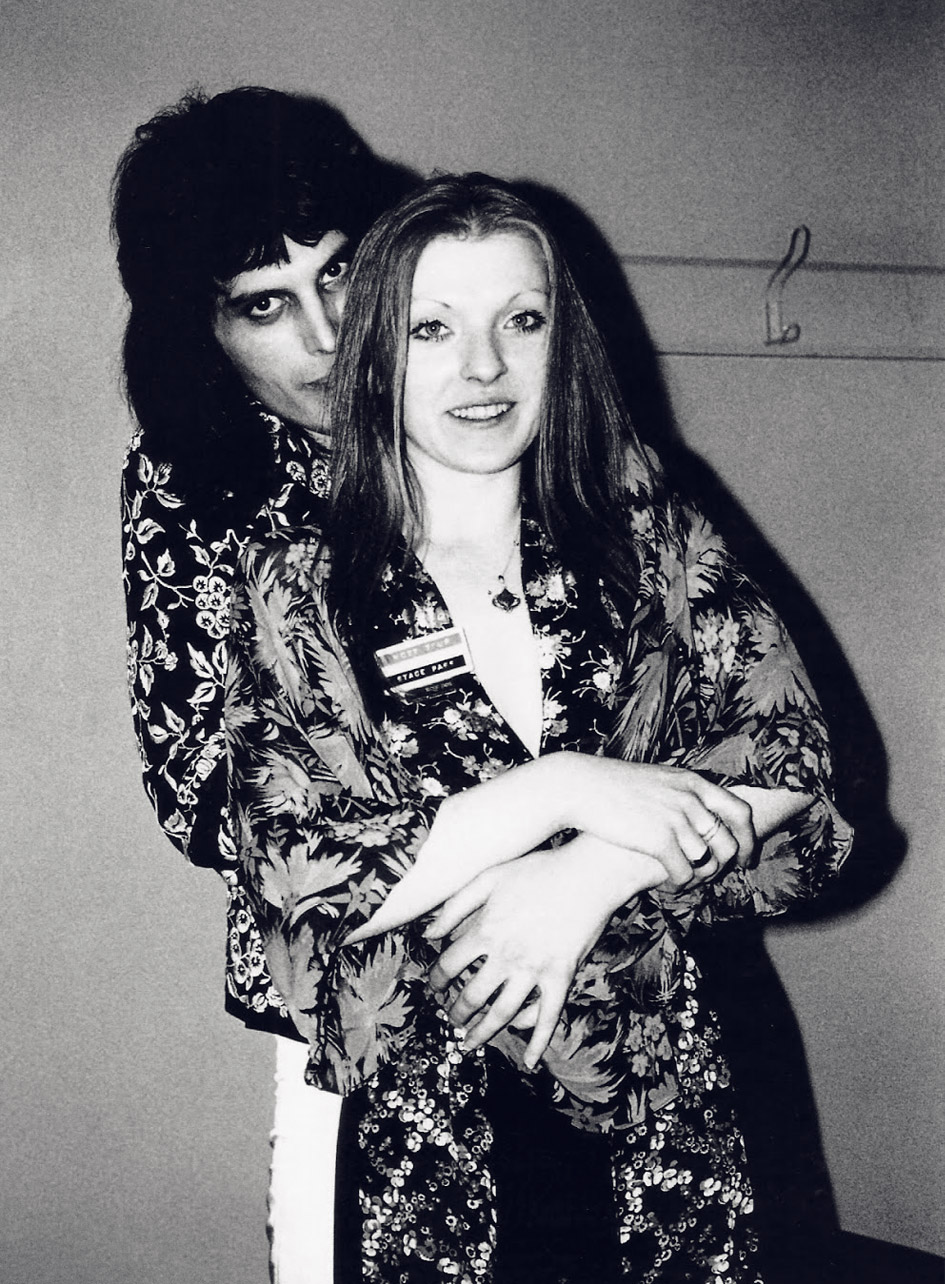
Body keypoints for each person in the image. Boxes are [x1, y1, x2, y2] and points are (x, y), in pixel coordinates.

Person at [225, 174, 853, 1283]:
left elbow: (788, 751)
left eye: (521, 321)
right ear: (374, 353)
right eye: (432, 328)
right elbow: (298, 868)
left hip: (668, 1090)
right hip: (430, 1132)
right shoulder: (299, 583)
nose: (483, 367)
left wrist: (588, 878)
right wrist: (562, 787)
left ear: (565, 343)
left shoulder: (646, 527)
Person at [113, 86, 415, 1276]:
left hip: (600, 963)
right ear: (205, 331)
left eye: (340, 272)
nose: (331, 336)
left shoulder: (506, 412)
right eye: (265, 303)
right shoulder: (194, 479)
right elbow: (198, 791)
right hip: (357, 990)